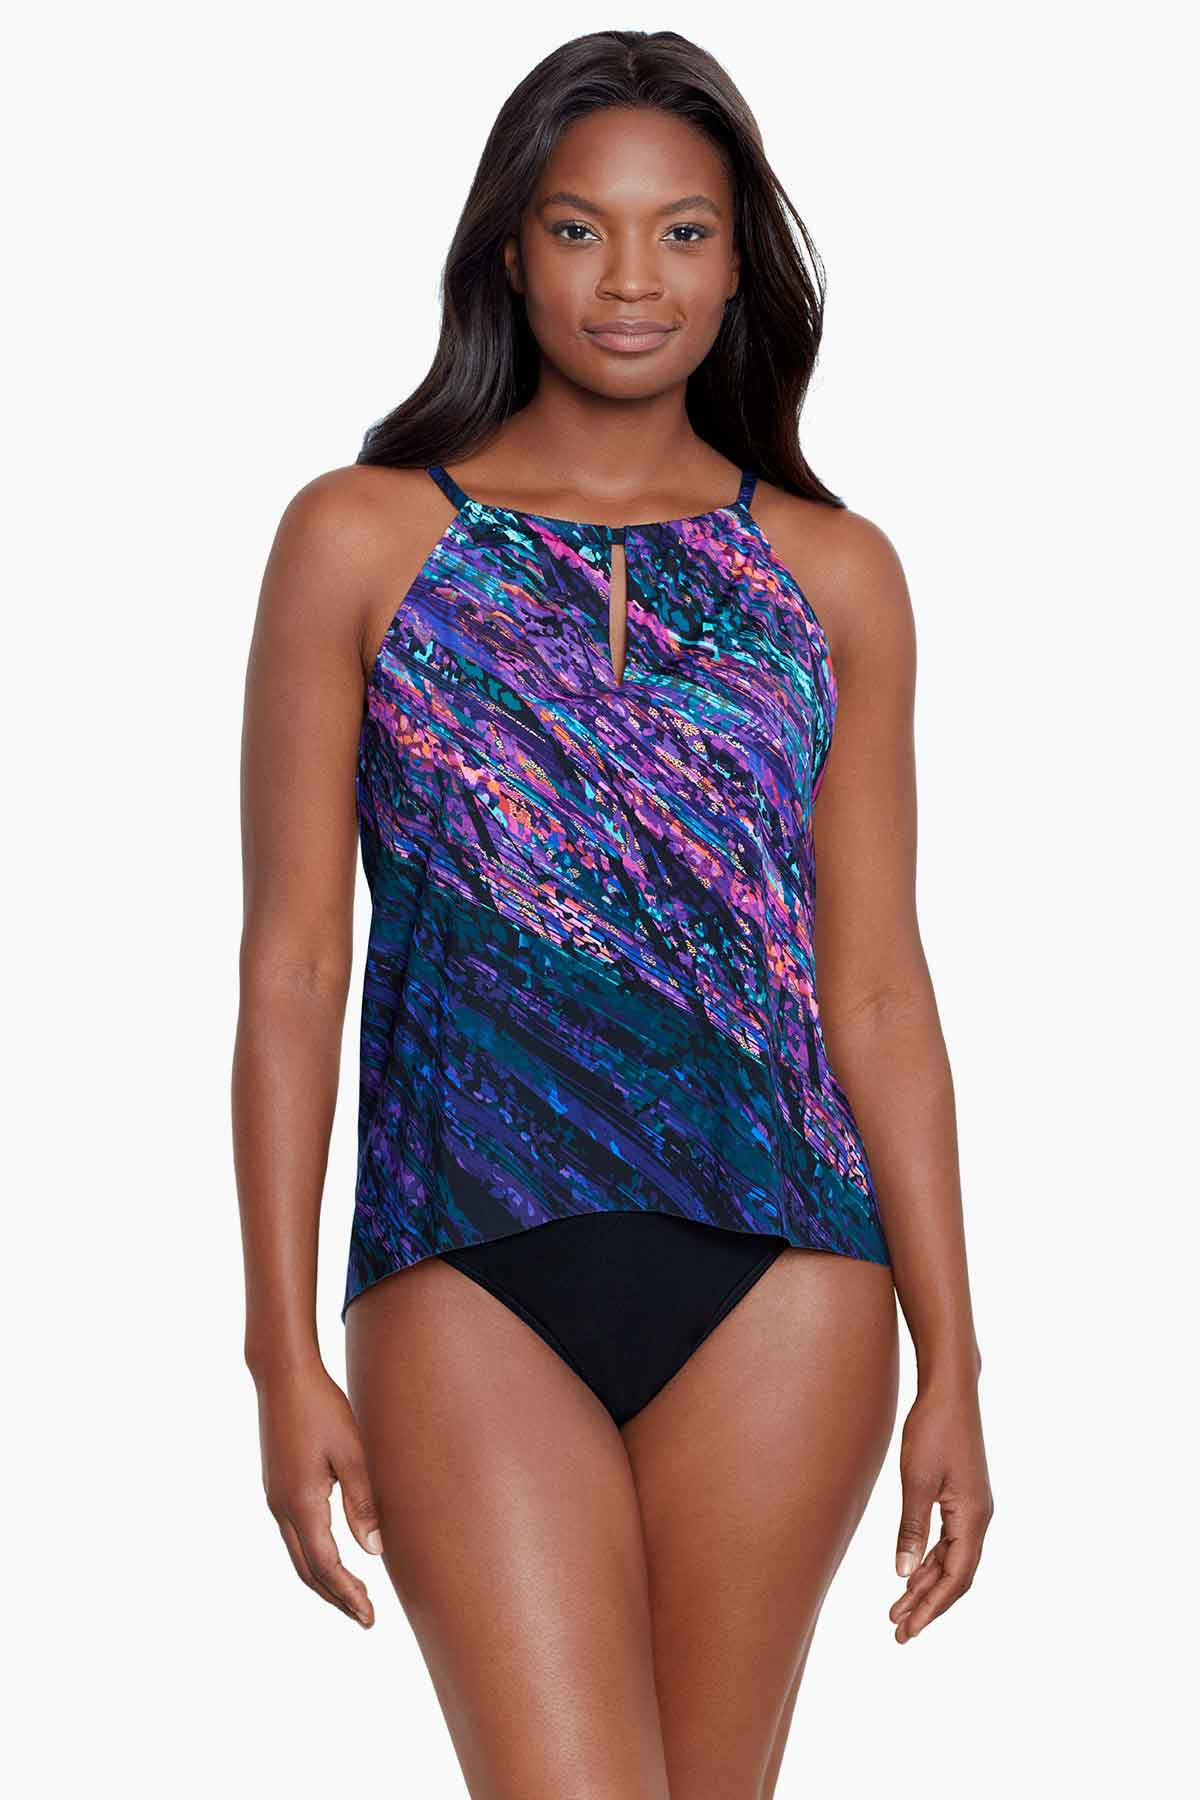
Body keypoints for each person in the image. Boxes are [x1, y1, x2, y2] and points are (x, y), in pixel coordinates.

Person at [233, 27, 993, 1797]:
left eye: (683, 232)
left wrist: (955, 1358)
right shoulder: (360, 541)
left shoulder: (834, 573)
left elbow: (879, 991)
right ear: (511, 249)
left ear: (739, 263)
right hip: (462, 1262)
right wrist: (277, 1351)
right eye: (581, 229)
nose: (631, 279)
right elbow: (292, 965)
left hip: (792, 1277)